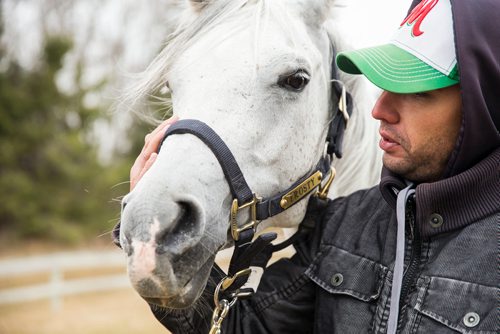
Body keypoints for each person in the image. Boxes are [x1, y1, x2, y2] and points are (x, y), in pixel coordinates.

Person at [129, 0, 499, 332]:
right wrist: (164, 244)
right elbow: (237, 327)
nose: (378, 110)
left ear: (485, 102)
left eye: (419, 92)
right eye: (386, 85)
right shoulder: (346, 224)